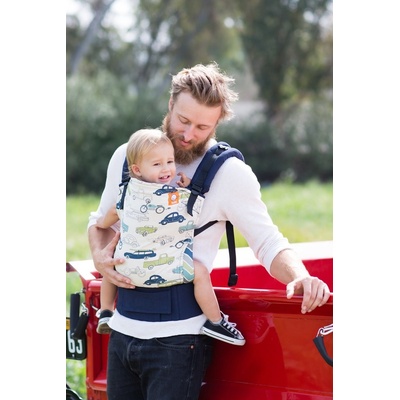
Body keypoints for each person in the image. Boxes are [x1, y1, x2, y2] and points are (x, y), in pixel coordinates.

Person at [87, 62, 331, 400]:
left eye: (202, 127)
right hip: (122, 330)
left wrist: (300, 276)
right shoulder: (127, 157)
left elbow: (268, 241)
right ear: (170, 104)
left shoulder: (230, 174)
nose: (188, 135)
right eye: (183, 121)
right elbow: (100, 221)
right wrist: (99, 257)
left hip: (177, 341)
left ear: (217, 123)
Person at [94, 128, 245, 346]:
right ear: (136, 169)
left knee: (111, 265)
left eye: (170, 161)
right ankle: (215, 321)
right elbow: (192, 209)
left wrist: (101, 224)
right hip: (167, 268)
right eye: (157, 164)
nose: (166, 169)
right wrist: (186, 187)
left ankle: (106, 310)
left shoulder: (126, 193)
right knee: (200, 273)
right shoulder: (176, 197)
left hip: (129, 268)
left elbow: (106, 218)